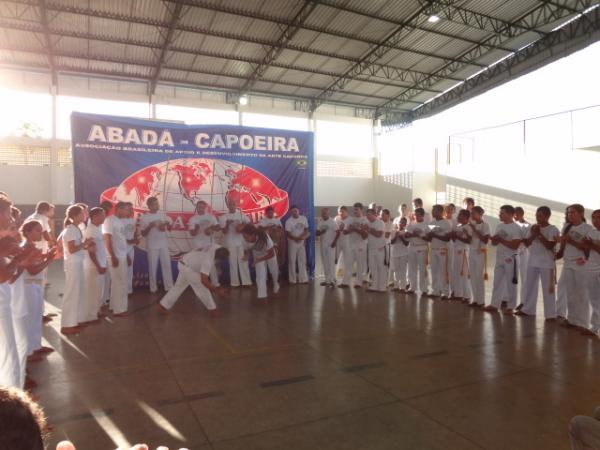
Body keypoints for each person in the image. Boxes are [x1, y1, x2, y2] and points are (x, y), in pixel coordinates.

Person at [158, 245, 228, 317]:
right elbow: (204, 281)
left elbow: (217, 260)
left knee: (178, 287)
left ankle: (162, 306)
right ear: (217, 258)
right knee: (202, 289)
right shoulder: (207, 260)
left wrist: (218, 267)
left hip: (183, 261)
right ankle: (213, 310)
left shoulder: (216, 246)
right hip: (189, 268)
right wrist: (217, 291)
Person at [19, 221, 55, 363]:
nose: (41, 233)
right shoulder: (26, 247)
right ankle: (28, 350)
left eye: (41, 230)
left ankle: (35, 345)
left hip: (35, 284)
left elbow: (35, 263)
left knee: (35, 317)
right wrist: (49, 259)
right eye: (37, 231)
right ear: (27, 232)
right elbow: (32, 270)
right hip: (29, 285)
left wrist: (46, 257)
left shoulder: (31, 246)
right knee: (30, 318)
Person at [518, 206, 559, 320]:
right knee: (529, 286)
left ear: (547, 216)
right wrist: (530, 235)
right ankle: (528, 309)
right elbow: (527, 243)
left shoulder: (553, 229)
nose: (537, 217)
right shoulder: (533, 227)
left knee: (548, 289)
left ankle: (550, 314)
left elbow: (550, 246)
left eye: (540, 216)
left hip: (547, 263)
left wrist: (539, 234)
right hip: (533, 261)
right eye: (536, 215)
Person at [559, 204, 593, 331]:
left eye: (573, 212)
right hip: (568, 263)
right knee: (570, 293)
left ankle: (583, 323)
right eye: (568, 213)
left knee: (582, 294)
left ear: (581, 214)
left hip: (581, 263)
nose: (570, 215)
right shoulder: (566, 227)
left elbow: (586, 248)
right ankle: (572, 320)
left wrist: (571, 240)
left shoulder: (587, 228)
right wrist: (558, 252)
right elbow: (563, 245)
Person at [483, 205, 522, 314]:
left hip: (511, 258)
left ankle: (511, 306)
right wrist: (494, 239)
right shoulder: (499, 226)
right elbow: (494, 243)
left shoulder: (516, 227)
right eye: (500, 213)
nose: (499, 215)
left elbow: (515, 245)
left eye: (502, 213)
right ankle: (494, 304)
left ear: (510, 214)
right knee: (497, 282)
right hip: (500, 257)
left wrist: (501, 239)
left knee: (511, 283)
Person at [60, 205, 90, 334]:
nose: (85, 215)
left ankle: (76, 320)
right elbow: (72, 249)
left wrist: (85, 245)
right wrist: (84, 244)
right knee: (72, 293)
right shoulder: (71, 229)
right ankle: (67, 325)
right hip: (73, 264)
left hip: (77, 262)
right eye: (83, 213)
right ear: (76, 215)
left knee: (78, 291)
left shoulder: (75, 228)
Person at [139, 197, 174, 293]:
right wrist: (150, 226)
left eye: (157, 204)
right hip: (152, 245)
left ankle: (169, 286)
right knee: (152, 267)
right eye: (154, 204)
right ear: (149, 206)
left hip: (163, 244)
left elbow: (170, 228)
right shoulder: (144, 218)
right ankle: (153, 288)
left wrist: (167, 224)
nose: (157, 206)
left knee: (167, 265)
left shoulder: (162, 214)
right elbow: (143, 234)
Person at [103, 202, 130, 317]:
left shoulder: (120, 221)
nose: (128, 212)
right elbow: (107, 239)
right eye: (126, 210)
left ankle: (114, 306)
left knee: (117, 282)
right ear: (119, 209)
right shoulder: (109, 220)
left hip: (122, 255)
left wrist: (127, 255)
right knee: (120, 282)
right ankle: (119, 310)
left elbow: (121, 240)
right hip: (116, 256)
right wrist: (112, 256)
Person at [242, 224, 280, 301]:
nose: (245, 238)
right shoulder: (244, 240)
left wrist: (258, 260)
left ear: (253, 235)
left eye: (246, 237)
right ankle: (263, 296)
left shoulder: (264, 238)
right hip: (258, 256)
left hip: (269, 254)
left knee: (274, 272)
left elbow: (271, 254)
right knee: (260, 276)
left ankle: (276, 286)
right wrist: (247, 255)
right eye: (244, 236)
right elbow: (248, 249)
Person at [220, 199, 251, 288]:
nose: (232, 205)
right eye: (230, 204)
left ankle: (246, 282)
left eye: (233, 204)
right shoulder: (224, 217)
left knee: (243, 261)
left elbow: (249, 224)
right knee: (232, 262)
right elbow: (224, 231)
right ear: (228, 206)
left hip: (241, 241)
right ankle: (234, 283)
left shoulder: (241, 214)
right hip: (230, 242)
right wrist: (227, 224)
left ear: (236, 205)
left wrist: (242, 226)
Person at [83, 207, 107, 323]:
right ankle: (91, 316)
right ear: (95, 216)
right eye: (102, 215)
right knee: (93, 291)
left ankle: (97, 310)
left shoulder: (98, 228)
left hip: (100, 264)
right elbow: (91, 252)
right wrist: (98, 266)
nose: (104, 217)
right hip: (93, 266)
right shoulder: (90, 230)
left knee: (98, 291)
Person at [340, 202, 368, 288]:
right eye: (354, 209)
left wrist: (356, 229)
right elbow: (344, 232)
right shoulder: (350, 219)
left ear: (361, 210)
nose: (355, 211)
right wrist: (350, 230)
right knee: (348, 264)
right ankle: (345, 282)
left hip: (360, 245)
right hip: (350, 244)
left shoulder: (365, 220)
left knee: (360, 264)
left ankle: (358, 282)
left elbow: (365, 235)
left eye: (357, 209)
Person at [427, 205, 452, 298]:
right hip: (433, 249)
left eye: (434, 210)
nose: (433, 212)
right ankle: (435, 291)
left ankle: (445, 292)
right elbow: (429, 238)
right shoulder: (432, 222)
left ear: (440, 211)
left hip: (442, 250)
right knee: (434, 271)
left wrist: (435, 235)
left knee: (443, 271)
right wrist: (429, 235)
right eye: (433, 210)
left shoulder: (446, 223)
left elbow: (448, 238)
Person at [467, 206, 490, 307]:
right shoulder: (472, 225)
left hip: (480, 253)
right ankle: (475, 299)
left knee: (479, 276)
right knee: (472, 276)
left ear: (480, 214)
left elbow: (485, 240)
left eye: (473, 213)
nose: (471, 215)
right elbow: (469, 240)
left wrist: (474, 229)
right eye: (471, 213)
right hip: (472, 251)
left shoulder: (486, 225)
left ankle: (481, 301)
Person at [582, 209, 600, 336]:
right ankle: (595, 326)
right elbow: (587, 251)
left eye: (598, 218)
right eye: (593, 217)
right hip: (590, 267)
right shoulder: (591, 232)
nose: (595, 220)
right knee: (594, 298)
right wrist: (586, 247)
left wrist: (591, 244)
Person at [405, 208, 430, 295]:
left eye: (418, 215)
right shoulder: (411, 224)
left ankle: (424, 289)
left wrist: (419, 235)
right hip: (411, 247)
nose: (416, 216)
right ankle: (412, 287)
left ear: (422, 215)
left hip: (422, 248)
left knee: (422, 269)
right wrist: (410, 234)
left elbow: (429, 238)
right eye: (415, 215)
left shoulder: (427, 225)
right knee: (412, 268)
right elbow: (406, 235)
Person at [285, 205, 309, 284]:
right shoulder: (289, 221)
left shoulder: (303, 218)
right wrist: (296, 239)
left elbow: (306, 229)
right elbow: (287, 233)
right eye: (292, 212)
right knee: (292, 260)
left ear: (298, 211)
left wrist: (301, 237)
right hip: (292, 242)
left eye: (295, 211)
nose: (294, 213)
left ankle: (303, 279)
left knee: (302, 260)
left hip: (301, 242)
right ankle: (292, 280)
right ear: (290, 213)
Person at [451, 209, 471, 302]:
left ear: (466, 217)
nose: (458, 217)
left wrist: (458, 236)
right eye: (458, 215)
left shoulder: (469, 227)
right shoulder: (458, 226)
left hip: (464, 251)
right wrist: (453, 235)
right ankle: (458, 294)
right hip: (456, 250)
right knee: (456, 273)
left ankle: (466, 295)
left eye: (460, 215)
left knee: (464, 274)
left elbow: (469, 241)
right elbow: (455, 240)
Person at [315, 208, 339, 287]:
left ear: (328, 214)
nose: (323, 214)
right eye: (322, 213)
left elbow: (338, 232)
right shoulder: (321, 222)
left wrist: (334, 242)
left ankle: (332, 279)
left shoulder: (332, 222)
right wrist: (321, 232)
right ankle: (327, 279)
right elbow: (317, 233)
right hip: (323, 245)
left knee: (331, 262)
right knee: (325, 262)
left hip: (331, 245)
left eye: (325, 213)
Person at [365, 208, 386, 292]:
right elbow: (366, 236)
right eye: (367, 215)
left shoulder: (380, 223)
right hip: (371, 248)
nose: (367, 216)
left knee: (381, 267)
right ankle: (374, 285)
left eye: (369, 214)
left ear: (374, 215)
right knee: (372, 267)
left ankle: (382, 287)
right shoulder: (367, 223)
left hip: (379, 248)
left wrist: (368, 229)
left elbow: (378, 234)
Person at [514, 206, 531, 310]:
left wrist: (519, 241)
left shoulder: (528, 225)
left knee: (524, 278)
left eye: (516, 214)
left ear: (521, 214)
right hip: (514, 252)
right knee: (512, 277)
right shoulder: (513, 225)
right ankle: (508, 300)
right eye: (513, 215)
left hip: (524, 252)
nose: (514, 217)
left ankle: (524, 301)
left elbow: (527, 240)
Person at [390, 216, 409, 292]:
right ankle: (396, 286)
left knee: (403, 270)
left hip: (403, 253)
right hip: (395, 253)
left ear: (405, 224)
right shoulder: (393, 231)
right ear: (397, 223)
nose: (401, 223)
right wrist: (396, 236)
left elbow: (406, 243)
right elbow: (392, 242)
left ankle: (403, 287)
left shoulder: (406, 232)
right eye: (400, 222)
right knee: (396, 270)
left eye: (403, 222)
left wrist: (401, 237)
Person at [123, 203, 138, 294]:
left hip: (131, 249)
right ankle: (123, 290)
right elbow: (120, 238)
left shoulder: (132, 221)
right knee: (123, 270)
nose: (131, 211)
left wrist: (136, 239)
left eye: (132, 209)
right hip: (122, 250)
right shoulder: (120, 221)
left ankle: (129, 290)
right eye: (129, 209)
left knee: (130, 270)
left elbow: (134, 232)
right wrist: (130, 241)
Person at [334, 206, 349, 279]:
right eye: (339, 211)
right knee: (337, 257)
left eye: (342, 211)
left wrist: (344, 230)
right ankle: (338, 273)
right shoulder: (336, 219)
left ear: (346, 212)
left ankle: (346, 275)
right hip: (338, 241)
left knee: (346, 258)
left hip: (347, 241)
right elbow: (334, 230)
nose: (341, 213)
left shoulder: (350, 219)